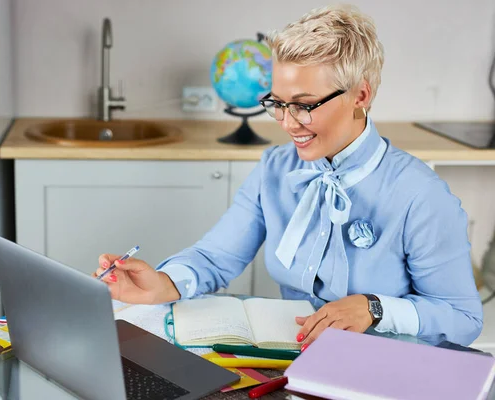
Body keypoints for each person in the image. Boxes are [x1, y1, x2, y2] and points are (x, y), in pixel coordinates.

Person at [94, 4, 482, 348]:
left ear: (360, 96)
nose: (286, 122)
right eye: (277, 103)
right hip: (294, 360)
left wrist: (376, 308)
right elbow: (216, 257)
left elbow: (464, 320)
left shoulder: (420, 196)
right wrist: (162, 283)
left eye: (304, 105)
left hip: (392, 371)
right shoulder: (275, 169)